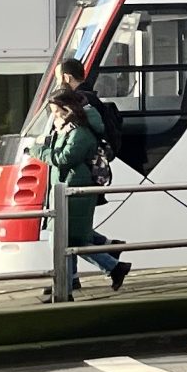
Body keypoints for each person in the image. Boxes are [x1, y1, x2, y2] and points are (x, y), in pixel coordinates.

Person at [42, 88, 129, 298]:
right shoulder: (68, 128)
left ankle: (107, 269)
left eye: (55, 111)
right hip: (67, 190)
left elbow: (64, 158)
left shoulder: (80, 132)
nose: (53, 116)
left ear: (67, 109)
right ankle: (70, 285)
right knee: (69, 239)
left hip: (75, 192)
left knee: (69, 241)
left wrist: (39, 151)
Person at [59, 58, 122, 142]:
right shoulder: (91, 97)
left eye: (58, 79)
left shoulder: (79, 101)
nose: (57, 84)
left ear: (67, 78)